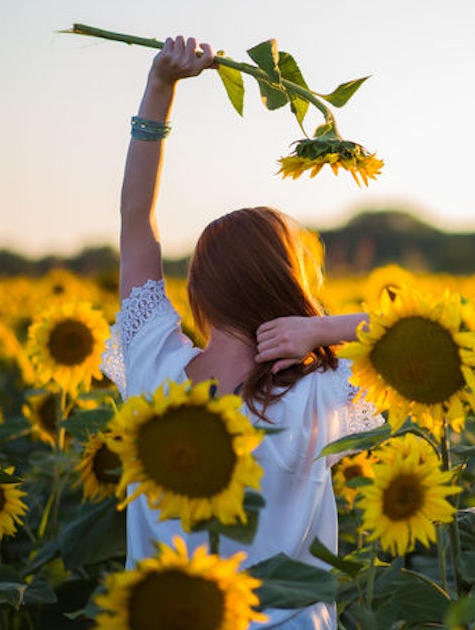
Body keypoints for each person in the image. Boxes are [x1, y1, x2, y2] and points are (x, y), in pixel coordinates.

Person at [99, 35, 379, 629]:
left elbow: (136, 220)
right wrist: (323, 328)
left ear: (199, 290)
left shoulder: (152, 367)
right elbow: (425, 333)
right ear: (291, 286)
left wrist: (160, 87)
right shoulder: (320, 393)